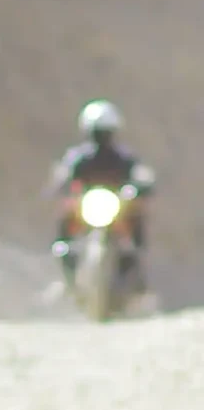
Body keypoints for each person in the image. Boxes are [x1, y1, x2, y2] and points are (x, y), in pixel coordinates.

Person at [49, 100, 155, 289]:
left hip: (116, 207)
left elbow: (140, 173)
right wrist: (60, 184)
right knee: (66, 215)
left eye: (105, 132)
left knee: (136, 217)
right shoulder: (78, 157)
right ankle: (66, 269)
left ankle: (136, 273)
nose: (101, 137)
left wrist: (142, 184)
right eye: (98, 132)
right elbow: (64, 174)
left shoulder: (123, 157)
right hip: (88, 206)